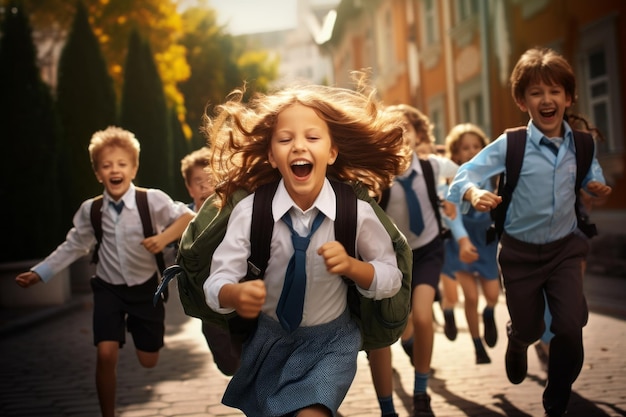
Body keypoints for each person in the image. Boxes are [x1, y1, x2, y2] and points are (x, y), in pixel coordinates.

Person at [202, 75, 410, 417]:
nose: (299, 146)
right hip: (269, 343)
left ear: (331, 151)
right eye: (285, 139)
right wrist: (233, 295)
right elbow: (217, 281)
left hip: (332, 343)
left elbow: (391, 276)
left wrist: (354, 267)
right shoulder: (251, 213)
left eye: (312, 137)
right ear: (271, 155)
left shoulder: (354, 212)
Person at [446, 47, 612, 417]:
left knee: (569, 326)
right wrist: (474, 192)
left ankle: (557, 396)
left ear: (568, 98)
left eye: (555, 91)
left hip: (565, 249)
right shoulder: (512, 144)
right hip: (519, 254)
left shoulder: (582, 143)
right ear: (523, 101)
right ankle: (518, 340)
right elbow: (464, 175)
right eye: (536, 92)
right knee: (530, 325)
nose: (547, 99)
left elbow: (590, 171)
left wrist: (595, 184)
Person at [15, 126, 195, 417]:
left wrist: (163, 239)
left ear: (134, 167)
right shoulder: (91, 210)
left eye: (122, 164)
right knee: (105, 352)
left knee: (149, 359)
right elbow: (73, 245)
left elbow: (188, 216)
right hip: (108, 288)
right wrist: (40, 272)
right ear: (98, 173)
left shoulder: (151, 200)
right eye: (107, 165)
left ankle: (139, 330)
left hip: (145, 289)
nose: (115, 170)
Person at [368, 104, 457, 417]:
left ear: (420, 133)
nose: (402, 133)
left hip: (429, 250)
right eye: (393, 128)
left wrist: (462, 198)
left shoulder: (432, 165)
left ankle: (421, 392)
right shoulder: (379, 173)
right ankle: (387, 406)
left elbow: (464, 177)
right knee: (392, 326)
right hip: (389, 258)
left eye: (407, 127)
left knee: (422, 316)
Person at [441, 123, 500, 364]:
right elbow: (452, 217)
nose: (471, 151)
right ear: (455, 153)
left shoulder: (493, 177)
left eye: (476, 146)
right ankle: (478, 346)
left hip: (487, 240)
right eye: (465, 147)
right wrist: (463, 241)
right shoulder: (451, 182)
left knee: (493, 295)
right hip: (461, 241)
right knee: (470, 297)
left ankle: (489, 313)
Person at [180, 147, 241, 376]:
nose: (205, 186)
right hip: (209, 306)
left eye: (211, 179)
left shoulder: (233, 211)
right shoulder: (182, 218)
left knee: (254, 361)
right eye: (198, 181)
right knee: (228, 365)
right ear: (189, 187)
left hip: (238, 297)